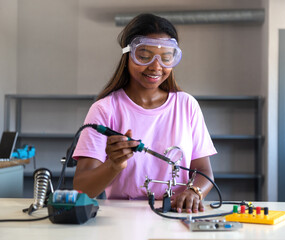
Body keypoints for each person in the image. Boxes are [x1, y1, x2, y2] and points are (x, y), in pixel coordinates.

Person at [72, 13, 217, 213]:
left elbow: (204, 172)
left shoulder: (187, 105)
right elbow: (82, 189)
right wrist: (113, 165)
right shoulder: (105, 110)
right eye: (144, 56)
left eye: (166, 58)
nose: (156, 66)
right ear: (128, 55)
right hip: (122, 221)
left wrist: (194, 192)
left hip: (176, 216)